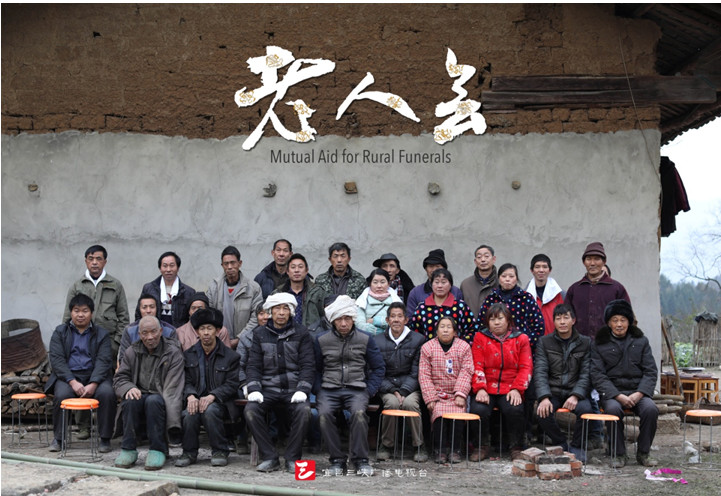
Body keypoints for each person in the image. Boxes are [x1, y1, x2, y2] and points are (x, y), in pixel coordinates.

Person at [314, 295, 385, 476]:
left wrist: (369, 390)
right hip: (329, 388)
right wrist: (319, 389)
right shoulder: (321, 339)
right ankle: (337, 460)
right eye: (339, 319)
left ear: (353, 319)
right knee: (324, 415)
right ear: (333, 320)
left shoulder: (365, 338)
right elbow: (315, 369)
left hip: (357, 388)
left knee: (359, 414)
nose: (344, 323)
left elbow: (378, 367)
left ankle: (360, 460)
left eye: (347, 318)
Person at [244, 293, 315, 472]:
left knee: (304, 411)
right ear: (270, 311)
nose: (281, 313)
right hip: (268, 389)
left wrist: (303, 389)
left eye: (285, 308)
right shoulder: (259, 334)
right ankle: (269, 457)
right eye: (277, 308)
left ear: (291, 312)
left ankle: (293, 458)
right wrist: (254, 388)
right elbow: (253, 365)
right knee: (251, 410)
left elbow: (308, 365)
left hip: (293, 389)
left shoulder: (302, 333)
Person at [591, 299, 659, 468]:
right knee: (613, 410)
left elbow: (650, 371)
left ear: (629, 322)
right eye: (615, 320)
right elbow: (597, 375)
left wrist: (640, 393)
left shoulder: (641, 341)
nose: (619, 324)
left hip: (638, 391)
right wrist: (617, 396)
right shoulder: (599, 343)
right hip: (613, 394)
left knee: (650, 409)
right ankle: (618, 454)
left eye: (623, 320)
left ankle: (644, 453)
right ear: (609, 323)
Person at [46, 294, 116, 453]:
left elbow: (104, 360)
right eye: (76, 310)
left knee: (107, 394)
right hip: (68, 377)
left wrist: (94, 383)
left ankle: (105, 438)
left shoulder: (102, 334)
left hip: (95, 376)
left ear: (91, 313)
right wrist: (72, 381)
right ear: (71, 312)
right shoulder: (60, 332)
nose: (80, 315)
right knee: (61, 395)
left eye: (85, 311)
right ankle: (59, 438)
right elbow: (57, 360)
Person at [113, 316, 185, 470]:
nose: (150, 337)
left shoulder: (173, 352)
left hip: (162, 396)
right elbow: (120, 378)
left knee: (153, 401)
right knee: (130, 400)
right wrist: (129, 387)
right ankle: (128, 449)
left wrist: (173, 424)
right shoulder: (132, 351)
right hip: (139, 393)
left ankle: (158, 450)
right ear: (140, 335)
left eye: (153, 332)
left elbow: (173, 388)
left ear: (161, 331)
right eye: (145, 333)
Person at [176, 308, 240, 467]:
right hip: (195, 399)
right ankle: (189, 452)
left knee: (210, 411)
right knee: (189, 414)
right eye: (202, 329)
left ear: (217, 331)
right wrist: (191, 395)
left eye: (209, 328)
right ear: (197, 332)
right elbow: (185, 380)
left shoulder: (231, 356)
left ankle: (220, 450)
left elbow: (232, 384)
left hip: (221, 402)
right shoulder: (188, 355)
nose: (206, 333)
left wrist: (213, 396)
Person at [469, 303, 532, 461]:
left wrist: (517, 389)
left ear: (508, 320)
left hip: (511, 386)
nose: (496, 323)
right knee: (478, 409)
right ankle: (481, 446)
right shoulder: (480, 337)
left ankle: (516, 447)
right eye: (492, 319)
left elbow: (526, 367)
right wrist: (480, 388)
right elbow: (477, 365)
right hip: (486, 386)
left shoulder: (521, 339)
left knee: (515, 409)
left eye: (500, 318)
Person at [534, 304, 591, 462]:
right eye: (558, 318)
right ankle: (561, 443)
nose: (562, 322)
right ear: (553, 322)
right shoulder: (545, 342)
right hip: (553, 391)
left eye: (566, 317)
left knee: (586, 410)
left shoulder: (585, 342)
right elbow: (540, 371)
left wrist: (576, 395)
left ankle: (577, 446)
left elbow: (586, 373)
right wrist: (544, 397)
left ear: (573, 320)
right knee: (542, 411)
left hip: (575, 391)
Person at [374, 302, 427, 462]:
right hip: (388, 387)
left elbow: (417, 370)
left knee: (411, 404)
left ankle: (419, 445)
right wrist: (393, 390)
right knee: (392, 403)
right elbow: (375, 371)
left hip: (410, 387)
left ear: (406, 319)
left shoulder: (418, 339)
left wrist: (404, 391)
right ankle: (386, 445)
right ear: (387, 320)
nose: (396, 320)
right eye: (392, 316)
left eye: (400, 316)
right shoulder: (377, 341)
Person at [418, 316, 473, 463]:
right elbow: (424, 375)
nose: (445, 330)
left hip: (456, 394)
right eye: (442, 327)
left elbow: (467, 371)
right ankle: (439, 450)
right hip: (438, 394)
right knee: (438, 415)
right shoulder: (427, 348)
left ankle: (456, 450)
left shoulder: (464, 347)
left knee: (458, 414)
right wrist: (430, 398)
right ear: (436, 331)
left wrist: (461, 393)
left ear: (455, 331)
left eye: (449, 327)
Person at [63, 244, 129, 363]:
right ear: (86, 261)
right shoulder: (77, 286)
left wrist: (116, 343)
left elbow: (123, 318)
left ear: (105, 262)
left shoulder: (115, 285)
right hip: (81, 343)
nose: (94, 262)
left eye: (98, 259)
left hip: (108, 342)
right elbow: (67, 317)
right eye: (91, 259)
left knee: (105, 372)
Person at [565, 242, 631, 338]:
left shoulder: (616, 288)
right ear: (584, 262)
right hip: (580, 344)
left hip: (609, 343)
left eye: (597, 259)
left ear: (604, 262)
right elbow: (566, 319)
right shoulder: (574, 289)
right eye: (588, 259)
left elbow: (627, 318)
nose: (592, 263)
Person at [478, 263, 545, 353]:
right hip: (494, 350)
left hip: (522, 350)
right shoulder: (491, 299)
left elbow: (539, 326)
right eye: (504, 276)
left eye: (511, 276)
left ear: (516, 279)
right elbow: (481, 325)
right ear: (498, 278)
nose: (507, 279)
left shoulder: (526, 298)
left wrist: (525, 343)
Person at [206, 245, 263, 349]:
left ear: (239, 263)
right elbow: (209, 314)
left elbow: (256, 318)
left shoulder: (253, 288)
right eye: (226, 264)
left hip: (245, 343)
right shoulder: (214, 287)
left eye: (233, 263)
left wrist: (239, 339)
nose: (229, 267)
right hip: (218, 343)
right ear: (222, 265)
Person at [409, 268, 477, 342]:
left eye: (443, 282)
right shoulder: (422, 308)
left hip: (457, 349)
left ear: (450, 285)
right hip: (428, 349)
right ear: (431, 284)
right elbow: (414, 333)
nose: (440, 286)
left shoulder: (460, 306)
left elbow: (472, 329)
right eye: (436, 282)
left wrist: (461, 346)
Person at [138, 251, 196, 328]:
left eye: (172, 265)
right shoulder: (149, 288)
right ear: (160, 268)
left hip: (179, 332)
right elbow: (139, 314)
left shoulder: (188, 292)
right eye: (165, 266)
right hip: (154, 331)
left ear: (178, 268)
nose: (168, 269)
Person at [118, 294, 177, 366]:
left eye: (152, 307)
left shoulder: (170, 331)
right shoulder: (129, 331)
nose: (148, 311)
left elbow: (174, 358)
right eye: (144, 307)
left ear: (157, 309)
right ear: (139, 309)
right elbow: (123, 359)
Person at [406, 249, 463, 317]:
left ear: (444, 269)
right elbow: (411, 318)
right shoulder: (416, 292)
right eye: (431, 266)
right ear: (426, 269)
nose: (434, 270)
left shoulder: (456, 292)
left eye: (437, 266)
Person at [273, 253, 324, 327]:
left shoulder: (317, 292)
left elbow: (324, 317)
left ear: (306, 270)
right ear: (287, 271)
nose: (296, 270)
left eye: (300, 267)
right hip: (285, 333)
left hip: (310, 333)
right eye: (293, 267)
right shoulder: (278, 293)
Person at [354, 268, 402, 335]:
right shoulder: (362, 300)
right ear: (370, 284)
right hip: (369, 338)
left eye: (382, 282)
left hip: (391, 338)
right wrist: (375, 331)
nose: (379, 286)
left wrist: (377, 321)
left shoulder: (396, 301)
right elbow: (359, 324)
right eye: (375, 282)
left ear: (388, 284)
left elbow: (399, 322)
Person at [525, 254, 564, 336]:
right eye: (537, 267)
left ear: (550, 270)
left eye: (545, 267)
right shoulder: (524, 295)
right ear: (532, 270)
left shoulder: (560, 294)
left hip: (556, 340)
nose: (541, 270)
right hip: (532, 340)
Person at [460, 244, 499, 316]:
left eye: (486, 256)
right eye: (479, 257)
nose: (483, 260)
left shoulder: (502, 283)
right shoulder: (466, 284)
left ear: (494, 259)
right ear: (475, 261)